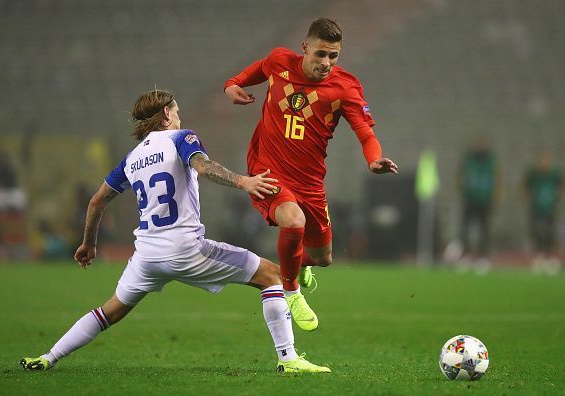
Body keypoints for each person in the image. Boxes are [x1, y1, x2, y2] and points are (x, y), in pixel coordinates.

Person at [20, 89, 330, 374]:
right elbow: (205, 168)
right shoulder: (181, 138)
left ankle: (48, 357)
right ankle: (288, 359)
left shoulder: (132, 159)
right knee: (273, 276)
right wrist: (244, 182)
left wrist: (89, 244)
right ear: (166, 115)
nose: (180, 116)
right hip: (186, 249)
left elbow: (96, 200)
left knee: (109, 311)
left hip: (147, 255)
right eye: (176, 111)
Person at [223, 18, 398, 330]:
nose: (326, 62)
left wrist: (373, 159)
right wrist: (232, 85)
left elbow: (365, 133)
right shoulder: (280, 61)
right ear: (305, 48)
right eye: (320, 54)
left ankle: (299, 264)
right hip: (268, 169)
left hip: (310, 181)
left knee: (322, 257)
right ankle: (290, 291)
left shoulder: (346, 87)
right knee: (293, 221)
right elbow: (258, 69)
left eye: (333, 56)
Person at [456, 137, 500, 272]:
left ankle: (482, 258)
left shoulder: (491, 161)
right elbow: (460, 175)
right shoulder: (469, 159)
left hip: (485, 200)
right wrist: (462, 189)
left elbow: (497, 177)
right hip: (470, 198)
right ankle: (466, 256)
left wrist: (495, 195)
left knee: (485, 230)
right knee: (465, 228)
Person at [523, 150, 562, 274]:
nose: (543, 163)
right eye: (541, 160)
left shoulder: (554, 174)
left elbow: (561, 185)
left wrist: (557, 195)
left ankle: (550, 257)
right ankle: (538, 256)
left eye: (545, 160)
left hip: (550, 208)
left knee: (550, 233)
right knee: (536, 232)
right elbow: (524, 187)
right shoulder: (533, 174)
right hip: (536, 208)